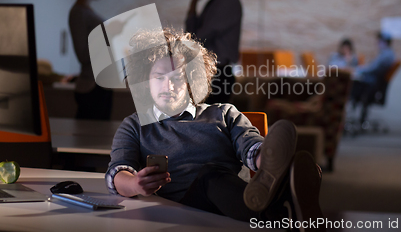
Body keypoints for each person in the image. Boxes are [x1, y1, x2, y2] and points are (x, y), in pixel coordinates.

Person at [106, 28, 324, 229]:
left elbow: (251, 146)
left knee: (222, 174)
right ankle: (283, 210)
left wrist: (268, 159)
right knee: (210, 176)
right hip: (177, 211)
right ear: (145, 81)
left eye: (177, 78)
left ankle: (283, 186)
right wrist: (135, 184)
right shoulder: (134, 126)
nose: (168, 86)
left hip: (231, 207)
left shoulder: (223, 113)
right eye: (159, 77)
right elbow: (118, 172)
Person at [185, 0, 242, 104]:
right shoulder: (219, 1)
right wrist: (195, 1)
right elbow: (192, 36)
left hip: (217, 74)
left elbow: (195, 39)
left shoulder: (226, 2)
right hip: (214, 73)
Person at [68, 0, 112, 120]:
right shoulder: (78, 13)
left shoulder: (86, 12)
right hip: (91, 87)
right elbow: (82, 55)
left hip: (100, 85)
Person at [350, 32, 396, 126]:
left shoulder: (386, 55)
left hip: (371, 84)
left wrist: (358, 70)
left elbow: (372, 69)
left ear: (384, 42)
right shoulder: (388, 53)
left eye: (379, 41)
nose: (377, 43)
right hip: (373, 83)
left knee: (353, 83)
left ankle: (350, 111)